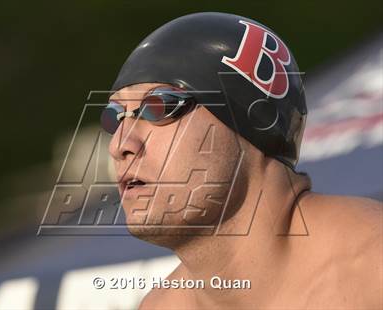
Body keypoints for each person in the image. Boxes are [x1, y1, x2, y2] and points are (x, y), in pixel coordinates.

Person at [101, 12, 382, 309]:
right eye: (114, 117)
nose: (120, 145)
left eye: (159, 107)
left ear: (256, 122)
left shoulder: (372, 266)